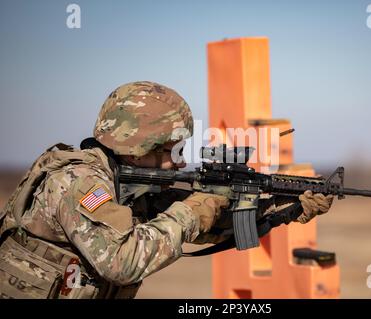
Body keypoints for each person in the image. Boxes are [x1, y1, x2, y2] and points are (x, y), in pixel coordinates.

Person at [0, 81, 333, 299]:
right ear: (136, 145)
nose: (176, 162)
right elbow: (121, 261)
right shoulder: (78, 182)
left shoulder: (130, 184)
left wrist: (284, 209)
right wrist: (194, 208)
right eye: (169, 150)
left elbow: (210, 225)